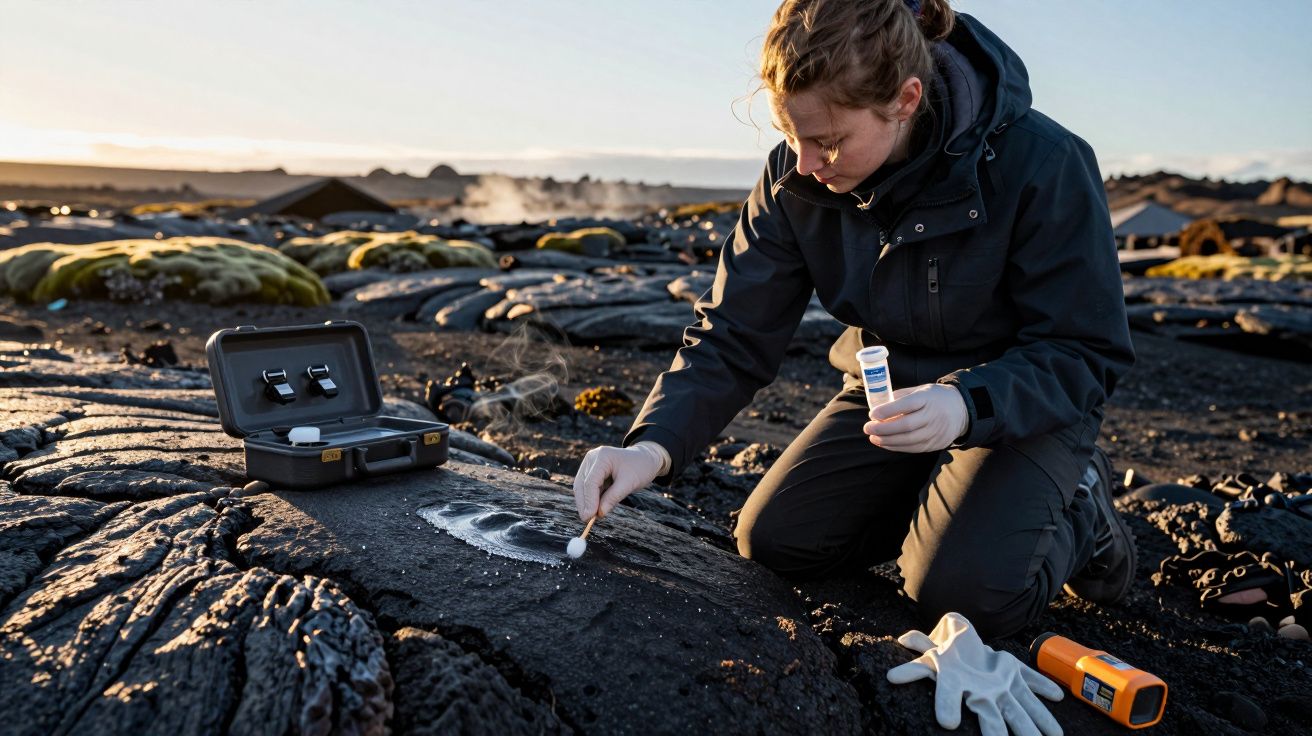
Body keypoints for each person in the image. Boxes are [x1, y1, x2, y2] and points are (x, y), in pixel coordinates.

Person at [572, 0, 1137, 639]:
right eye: (791, 136)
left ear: (905, 100)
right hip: (887, 395)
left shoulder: (1045, 162)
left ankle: (1082, 502)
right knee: (775, 542)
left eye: (828, 141)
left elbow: (1085, 349)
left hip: (1021, 404)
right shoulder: (795, 177)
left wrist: (964, 404)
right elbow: (733, 330)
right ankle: (956, 508)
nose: (805, 164)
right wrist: (650, 447)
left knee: (962, 598)